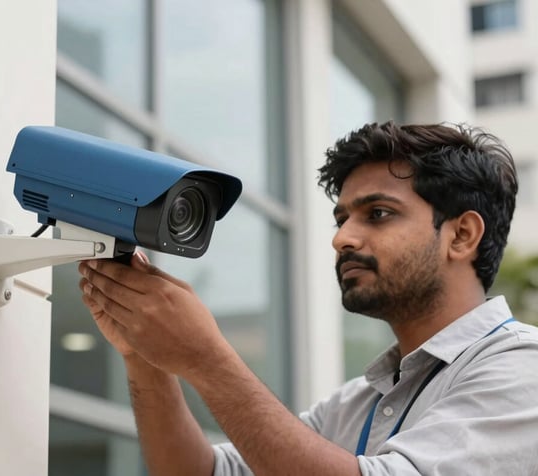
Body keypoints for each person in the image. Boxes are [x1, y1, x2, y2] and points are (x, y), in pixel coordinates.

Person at [77, 121, 538, 475]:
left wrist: (208, 360)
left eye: (378, 214)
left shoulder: (521, 368)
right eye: (341, 219)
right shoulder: (355, 405)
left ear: (462, 235)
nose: (343, 239)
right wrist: (144, 355)